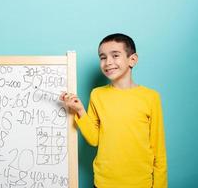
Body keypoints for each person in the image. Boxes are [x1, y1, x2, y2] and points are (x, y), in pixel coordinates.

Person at [60, 33, 167, 188]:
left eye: (115, 55)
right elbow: (94, 139)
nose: (108, 62)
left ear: (132, 60)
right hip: (104, 182)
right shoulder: (97, 94)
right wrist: (80, 110)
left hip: (141, 183)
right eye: (102, 57)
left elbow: (159, 150)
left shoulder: (151, 97)